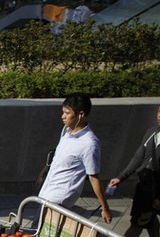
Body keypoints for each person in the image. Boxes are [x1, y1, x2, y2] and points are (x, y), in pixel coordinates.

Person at [103, 92, 160, 237]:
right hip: (144, 186)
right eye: (159, 110)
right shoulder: (152, 132)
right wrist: (122, 177)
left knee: (137, 223)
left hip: (157, 192)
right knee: (148, 217)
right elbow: (138, 156)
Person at [37, 93, 112, 224]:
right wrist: (44, 171)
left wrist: (105, 208)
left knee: (45, 236)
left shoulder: (89, 144)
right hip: (46, 192)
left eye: (67, 113)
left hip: (59, 199)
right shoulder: (66, 130)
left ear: (81, 114)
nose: (63, 116)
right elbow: (57, 157)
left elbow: (93, 177)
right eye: (63, 112)